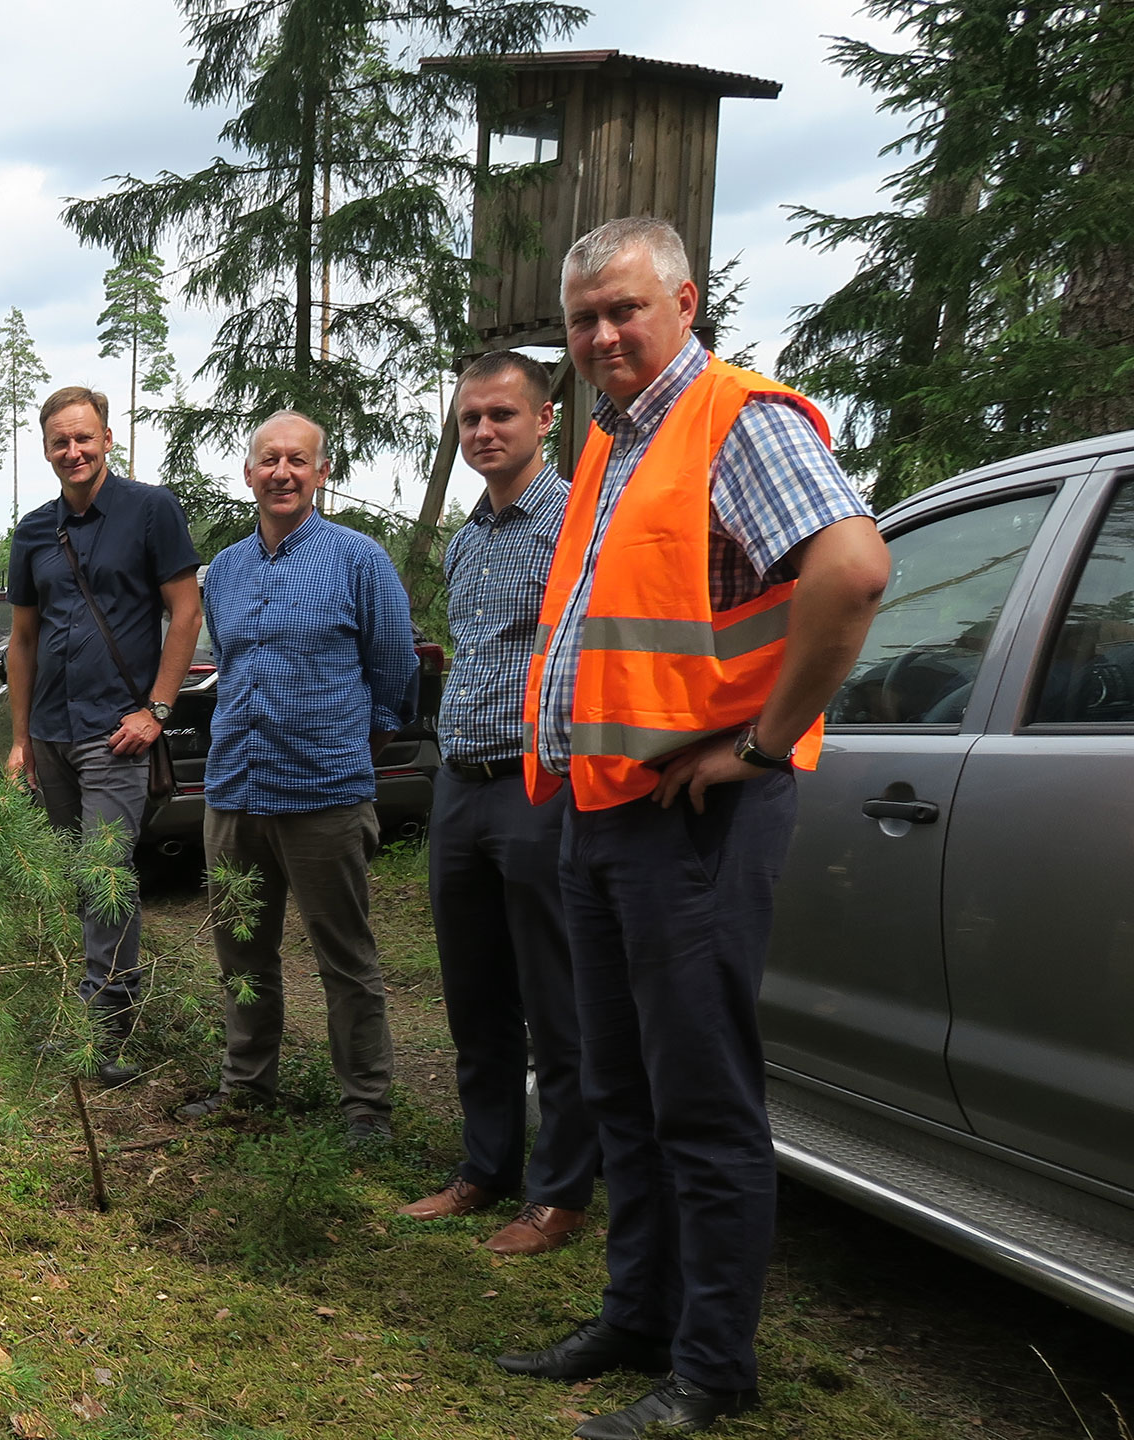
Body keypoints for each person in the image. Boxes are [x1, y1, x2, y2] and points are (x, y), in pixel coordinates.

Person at [497, 218, 888, 1440]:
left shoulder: (736, 417)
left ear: (683, 297)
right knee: (621, 1090)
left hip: (696, 818)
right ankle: (637, 1319)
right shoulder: (616, 442)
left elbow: (852, 570)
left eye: (623, 309)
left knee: (703, 1104)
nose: (603, 334)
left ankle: (712, 1368)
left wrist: (765, 743)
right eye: (582, 319)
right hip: (606, 810)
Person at [395, 351, 597, 1252]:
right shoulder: (469, 538)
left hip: (536, 784)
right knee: (474, 993)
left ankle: (560, 1193)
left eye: (501, 416)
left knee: (554, 995)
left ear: (544, 420)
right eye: (470, 418)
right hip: (460, 784)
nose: (483, 432)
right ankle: (485, 1168)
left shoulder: (574, 524)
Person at [184, 410, 414, 1145]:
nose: (281, 472)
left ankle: (366, 1108)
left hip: (324, 797)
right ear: (248, 473)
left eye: (297, 460)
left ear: (322, 473)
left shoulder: (359, 560)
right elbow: (230, 666)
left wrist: (349, 745)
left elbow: (394, 672)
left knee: (344, 958)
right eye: (267, 460)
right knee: (241, 955)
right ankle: (248, 1089)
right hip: (235, 795)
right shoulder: (224, 571)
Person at [3, 386, 202, 1086]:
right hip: (52, 735)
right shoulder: (33, 531)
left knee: (105, 876)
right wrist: (21, 737)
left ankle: (107, 1035)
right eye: (60, 441)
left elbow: (185, 612)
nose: (74, 451)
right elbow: (21, 640)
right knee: (76, 880)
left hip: (116, 734)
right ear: (47, 448)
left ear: (108, 439)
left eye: (84, 438)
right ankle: (90, 1006)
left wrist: (157, 709)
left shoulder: (152, 511)